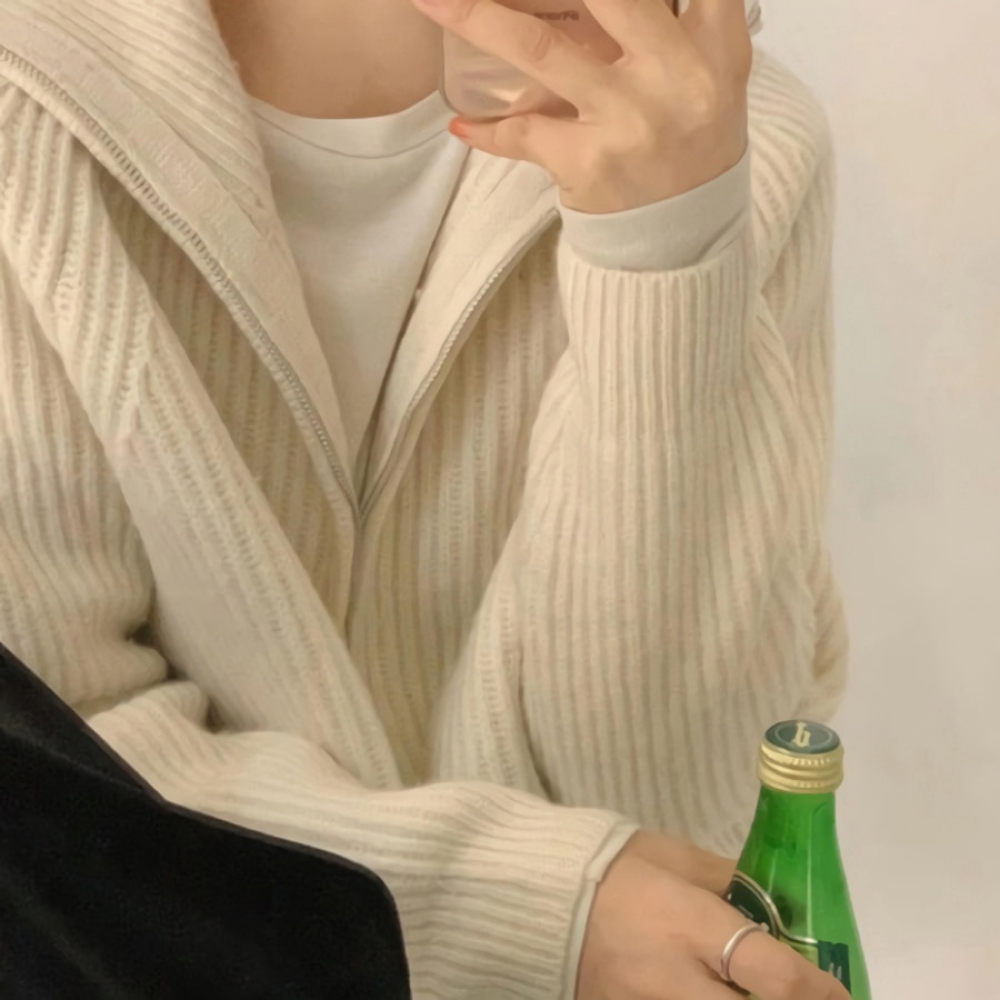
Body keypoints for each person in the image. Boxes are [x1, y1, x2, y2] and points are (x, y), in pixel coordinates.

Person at [0, 0, 849, 996]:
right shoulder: (30, 101)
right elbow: (57, 766)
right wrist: (519, 911)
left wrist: (664, 245)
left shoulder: (727, 135)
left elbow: (682, 820)